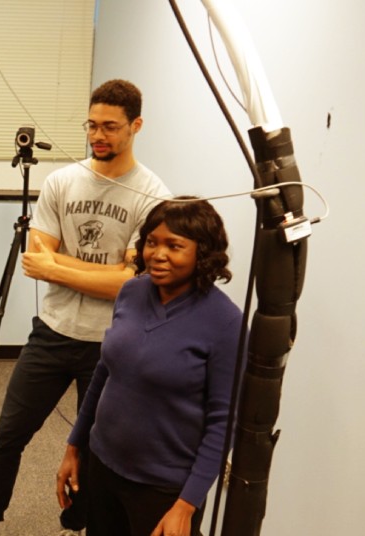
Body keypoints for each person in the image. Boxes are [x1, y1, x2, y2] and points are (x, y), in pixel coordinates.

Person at [0, 79, 172, 536]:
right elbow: (36, 261)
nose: (98, 135)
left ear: (136, 126)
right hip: (52, 332)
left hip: (112, 343)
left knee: (95, 448)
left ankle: (75, 524)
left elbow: (130, 285)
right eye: (92, 125)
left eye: (110, 127)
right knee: (9, 434)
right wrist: (107, 273)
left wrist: (60, 266)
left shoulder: (154, 196)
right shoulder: (61, 182)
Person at [56, 198, 240, 536]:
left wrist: (187, 504)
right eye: (152, 242)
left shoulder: (225, 322)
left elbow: (223, 422)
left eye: (174, 245)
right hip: (103, 465)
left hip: (163, 489)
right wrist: (74, 447)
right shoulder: (132, 292)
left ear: (203, 252)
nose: (158, 254)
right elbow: (104, 373)